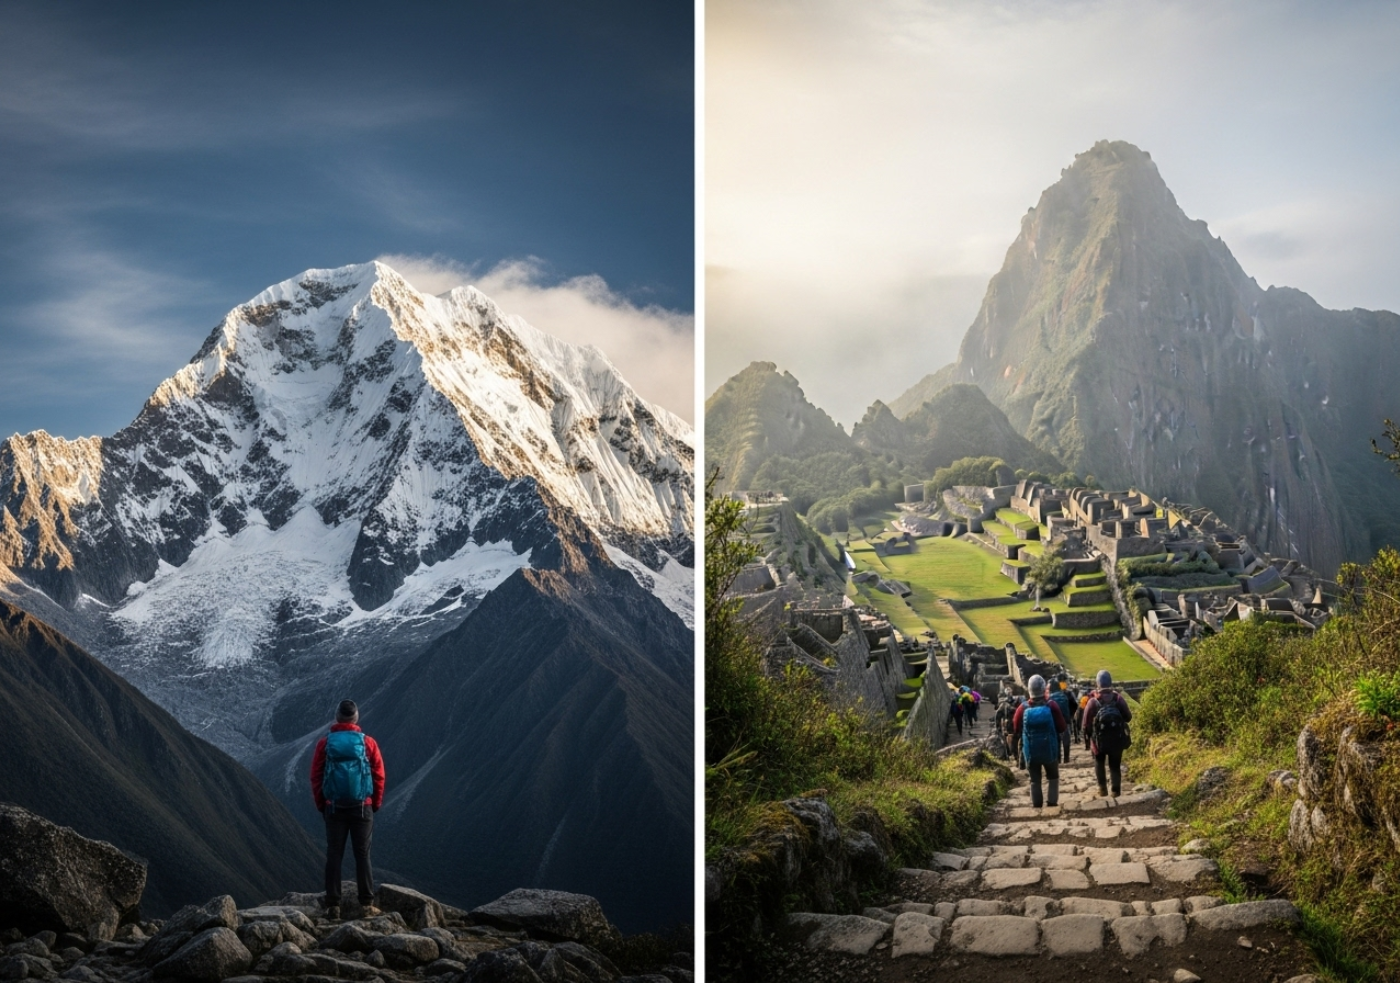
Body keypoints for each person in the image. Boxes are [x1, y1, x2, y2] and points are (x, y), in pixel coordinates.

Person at [311, 699, 386, 919]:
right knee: (362, 854)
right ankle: (366, 905)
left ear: (337, 718)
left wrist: (322, 804)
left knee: (334, 853)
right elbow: (379, 775)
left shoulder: (325, 744)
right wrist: (376, 803)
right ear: (356, 718)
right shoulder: (368, 743)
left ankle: (333, 905)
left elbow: (315, 776)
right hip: (363, 806)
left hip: (334, 807)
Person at [1013, 675, 1068, 808]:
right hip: (1050, 748)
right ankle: (1052, 802)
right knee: (1053, 776)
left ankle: (1037, 805)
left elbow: (1015, 728)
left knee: (1034, 780)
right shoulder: (1052, 705)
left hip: (1031, 750)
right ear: (1044, 689)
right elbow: (1062, 727)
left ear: (1029, 690)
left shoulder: (1023, 708)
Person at [1082, 670, 1134, 797]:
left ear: (1097, 684)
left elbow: (1086, 724)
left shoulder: (1093, 701)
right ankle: (1115, 791)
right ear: (1110, 682)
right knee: (1115, 765)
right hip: (1117, 738)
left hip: (1099, 741)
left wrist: (1089, 738)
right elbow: (1128, 717)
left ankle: (1102, 789)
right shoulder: (1117, 698)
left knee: (1099, 762)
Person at [1047, 674, 1076, 764]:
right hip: (1066, 720)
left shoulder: (1049, 698)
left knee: (1057, 740)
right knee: (1066, 739)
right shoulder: (1067, 694)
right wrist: (1070, 715)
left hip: (1054, 721)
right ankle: (1066, 758)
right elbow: (1075, 705)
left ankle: (1058, 759)